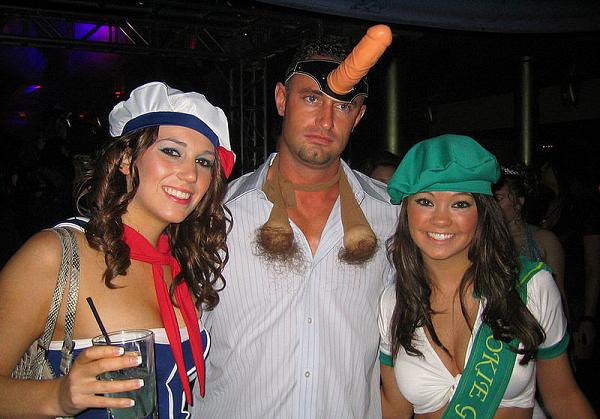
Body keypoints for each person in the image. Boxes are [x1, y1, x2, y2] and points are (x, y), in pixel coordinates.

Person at [0, 81, 235, 417]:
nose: (190, 174)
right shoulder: (56, 255)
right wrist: (58, 396)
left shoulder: (183, 262)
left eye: (204, 162)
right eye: (172, 152)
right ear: (126, 158)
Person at [192, 37, 399, 418]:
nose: (326, 120)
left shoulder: (393, 216)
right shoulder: (213, 214)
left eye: (343, 106)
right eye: (311, 98)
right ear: (281, 99)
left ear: (358, 117)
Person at [378, 134, 595, 418]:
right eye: (425, 202)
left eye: (460, 204)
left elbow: (564, 397)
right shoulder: (393, 303)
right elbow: (394, 408)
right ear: (406, 211)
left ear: (482, 212)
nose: (441, 219)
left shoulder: (530, 287)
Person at [493, 165, 566, 299]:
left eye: (498, 199)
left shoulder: (545, 239)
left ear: (519, 201)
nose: (492, 205)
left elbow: (559, 296)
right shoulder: (484, 240)